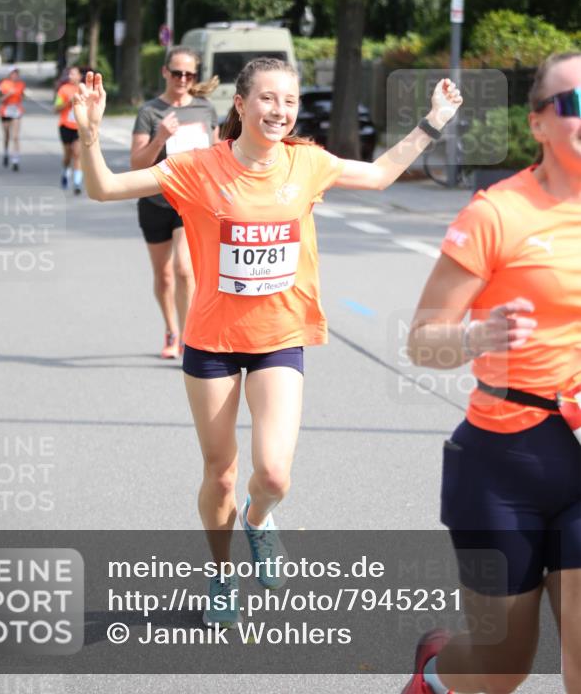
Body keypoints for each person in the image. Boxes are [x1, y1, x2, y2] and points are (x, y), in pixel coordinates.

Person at [73, 58, 462, 628]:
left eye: (289, 101)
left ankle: (259, 520)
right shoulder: (196, 167)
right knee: (221, 472)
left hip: (279, 336)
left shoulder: (306, 164)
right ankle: (222, 574)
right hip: (211, 341)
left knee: (274, 475)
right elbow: (102, 188)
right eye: (267, 99)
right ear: (240, 103)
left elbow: (379, 175)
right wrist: (87, 133)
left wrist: (432, 122)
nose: (279, 111)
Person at [402, 51, 581, 694]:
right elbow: (423, 342)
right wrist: (477, 334)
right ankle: (437, 671)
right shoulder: (498, 214)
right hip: (509, 459)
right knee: (503, 666)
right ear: (538, 123)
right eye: (574, 103)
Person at [130, 46, 219, 359]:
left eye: (190, 74)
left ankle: (187, 337)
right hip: (155, 201)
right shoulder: (150, 112)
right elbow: (137, 164)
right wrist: (160, 138)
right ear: (165, 72)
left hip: (190, 204)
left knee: (184, 270)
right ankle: (171, 329)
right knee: (164, 275)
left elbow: (217, 152)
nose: (183, 79)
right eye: (178, 72)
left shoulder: (205, 110)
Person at [54, 65, 82, 193]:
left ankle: (77, 183)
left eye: (74, 74)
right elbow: (56, 109)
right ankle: (65, 171)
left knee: (77, 153)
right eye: (70, 74)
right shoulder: (63, 90)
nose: (71, 76)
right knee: (67, 154)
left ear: (80, 76)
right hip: (65, 125)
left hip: (79, 127)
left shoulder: (84, 90)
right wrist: (68, 103)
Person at [0, 66, 27, 170]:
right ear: (9, 74)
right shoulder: (3, 84)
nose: (15, 75)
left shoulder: (21, 84)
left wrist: (22, 97)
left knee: (15, 136)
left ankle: (16, 160)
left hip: (16, 110)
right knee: (7, 135)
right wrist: (8, 94)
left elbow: (23, 96)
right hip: (5, 111)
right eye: (13, 73)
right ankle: (5, 153)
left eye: (17, 73)